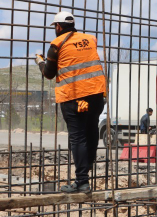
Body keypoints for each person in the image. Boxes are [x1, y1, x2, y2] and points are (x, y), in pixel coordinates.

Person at [36, 11, 106, 193]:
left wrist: (39, 61)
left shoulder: (57, 44)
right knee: (91, 131)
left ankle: (82, 181)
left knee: (77, 137)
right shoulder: (90, 39)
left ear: (58, 27)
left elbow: (49, 74)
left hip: (74, 97)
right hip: (97, 95)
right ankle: (86, 166)